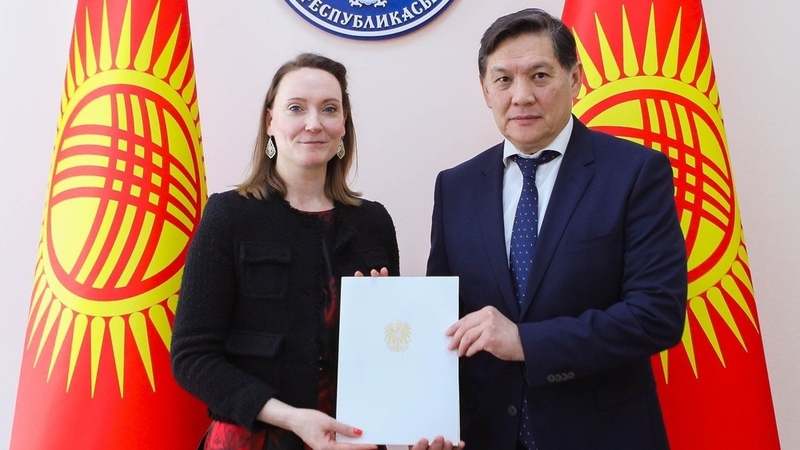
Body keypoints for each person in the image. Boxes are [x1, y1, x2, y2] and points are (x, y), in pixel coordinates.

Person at [426, 9, 688, 450]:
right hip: (486, 436)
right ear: (485, 90)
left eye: (540, 75)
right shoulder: (455, 187)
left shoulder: (635, 173)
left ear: (575, 78)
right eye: (503, 80)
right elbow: (445, 317)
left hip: (603, 436)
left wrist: (525, 342)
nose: (521, 96)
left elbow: (656, 315)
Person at [171, 53, 456, 450]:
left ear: (344, 126)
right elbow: (192, 357)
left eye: (329, 109)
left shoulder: (372, 221)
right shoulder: (228, 216)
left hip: (352, 443)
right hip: (253, 440)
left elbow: (391, 355)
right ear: (270, 122)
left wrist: (413, 424)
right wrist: (290, 417)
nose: (313, 123)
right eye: (296, 108)